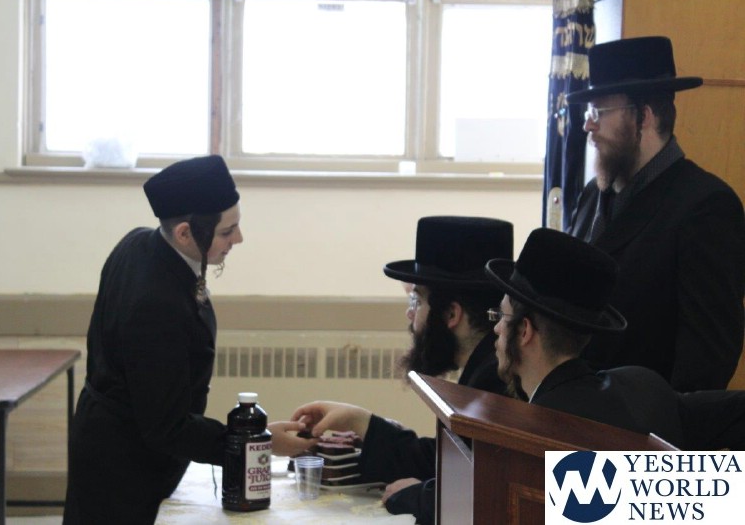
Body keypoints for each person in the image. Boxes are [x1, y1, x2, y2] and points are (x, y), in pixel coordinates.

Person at [63, 156, 312, 525]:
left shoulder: (140, 242)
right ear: (184, 233)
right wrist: (256, 442)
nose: (238, 239)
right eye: (227, 232)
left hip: (110, 436)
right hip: (124, 463)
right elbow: (166, 426)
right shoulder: (155, 304)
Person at [291, 216, 513, 525]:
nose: (410, 314)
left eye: (417, 300)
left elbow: (485, 494)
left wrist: (419, 497)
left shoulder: (495, 380)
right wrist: (361, 422)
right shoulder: (483, 367)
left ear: (451, 314)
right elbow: (448, 460)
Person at [566, 36, 745, 392]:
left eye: (599, 113)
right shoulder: (592, 195)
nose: (588, 126)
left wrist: (657, 425)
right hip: (572, 409)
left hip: (640, 419)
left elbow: (707, 360)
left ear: (644, 116)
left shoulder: (706, 206)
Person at [484, 227, 745, 452]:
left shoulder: (531, 434)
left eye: (502, 316)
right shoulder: (642, 386)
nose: (496, 328)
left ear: (524, 331)